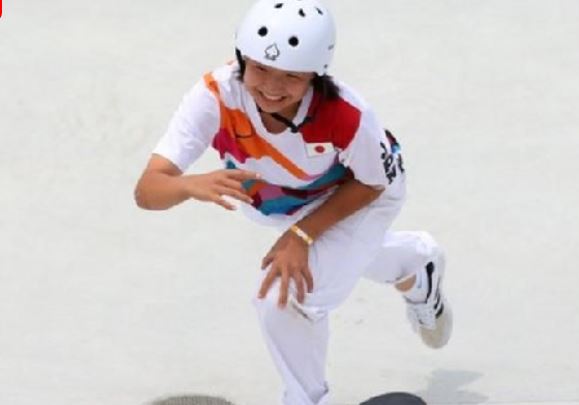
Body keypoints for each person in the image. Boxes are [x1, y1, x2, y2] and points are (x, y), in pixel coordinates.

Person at [134, 0, 452, 404]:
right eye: (261, 68)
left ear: (315, 77)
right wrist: (188, 184)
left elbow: (372, 184)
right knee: (340, 257)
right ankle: (413, 264)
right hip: (282, 199)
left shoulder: (345, 115)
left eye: (291, 76)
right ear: (241, 58)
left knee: (282, 298)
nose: (271, 86)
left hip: (362, 192)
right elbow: (147, 190)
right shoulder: (214, 95)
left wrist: (301, 236)